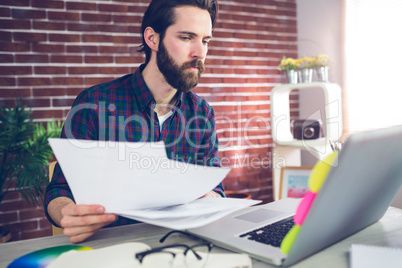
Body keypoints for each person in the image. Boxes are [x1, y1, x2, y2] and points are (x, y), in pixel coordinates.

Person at [44, 0, 225, 244]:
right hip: (112, 250)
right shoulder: (93, 103)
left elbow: (215, 189)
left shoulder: (202, 113)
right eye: (186, 37)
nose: (200, 53)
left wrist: (209, 197)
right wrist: (68, 213)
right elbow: (60, 189)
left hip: (182, 250)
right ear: (152, 39)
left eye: (205, 41)